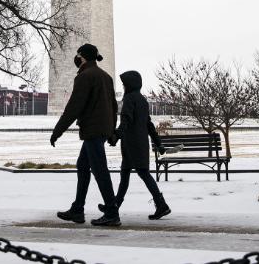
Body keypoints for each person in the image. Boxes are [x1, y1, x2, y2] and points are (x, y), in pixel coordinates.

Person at [50, 43, 120, 226]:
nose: (76, 58)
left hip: (92, 130)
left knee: (100, 171)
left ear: (82, 57)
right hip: (102, 130)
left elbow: (73, 108)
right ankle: (78, 209)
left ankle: (112, 212)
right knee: (83, 166)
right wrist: (112, 131)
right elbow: (113, 106)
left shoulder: (84, 77)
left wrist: (57, 132)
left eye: (77, 55)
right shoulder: (106, 76)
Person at [103, 70, 171, 220]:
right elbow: (149, 125)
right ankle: (114, 205)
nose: (123, 86)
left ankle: (161, 205)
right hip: (140, 144)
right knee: (128, 175)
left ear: (130, 84)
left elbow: (125, 120)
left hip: (131, 144)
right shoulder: (142, 100)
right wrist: (158, 143)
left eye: (124, 84)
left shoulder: (129, 99)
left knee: (139, 175)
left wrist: (116, 136)